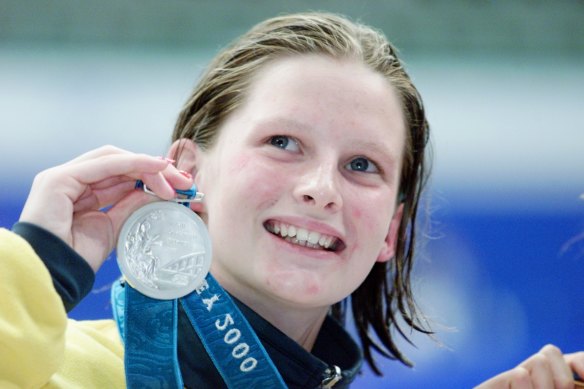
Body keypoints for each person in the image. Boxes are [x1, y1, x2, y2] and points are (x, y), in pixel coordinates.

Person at [1, 11, 582, 389]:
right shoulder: (48, 372)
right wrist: (35, 268)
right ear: (185, 170)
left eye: (362, 165)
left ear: (389, 234)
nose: (321, 189)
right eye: (283, 143)